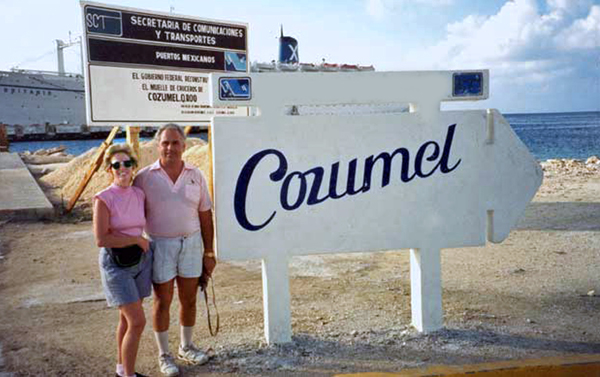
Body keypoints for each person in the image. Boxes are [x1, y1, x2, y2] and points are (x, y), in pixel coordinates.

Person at [134, 123, 216, 376]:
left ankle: (187, 346)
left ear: (184, 145)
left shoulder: (196, 174)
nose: (170, 147)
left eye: (175, 142)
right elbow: (132, 215)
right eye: (165, 143)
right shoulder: (144, 177)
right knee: (162, 301)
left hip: (191, 244)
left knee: (189, 299)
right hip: (160, 245)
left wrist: (209, 252)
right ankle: (164, 354)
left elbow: (205, 216)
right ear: (158, 146)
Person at [93, 144, 152, 377]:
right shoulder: (104, 199)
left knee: (126, 319)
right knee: (137, 321)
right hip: (116, 265)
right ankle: (129, 375)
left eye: (127, 163)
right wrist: (137, 240)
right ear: (109, 169)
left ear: (134, 167)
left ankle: (121, 368)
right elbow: (102, 239)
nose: (122, 168)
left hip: (138, 262)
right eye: (116, 164)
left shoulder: (139, 193)